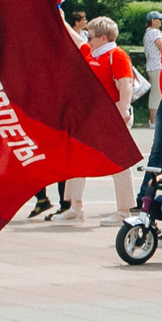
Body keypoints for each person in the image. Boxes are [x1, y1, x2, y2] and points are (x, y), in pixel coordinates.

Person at [62, 17, 142, 220]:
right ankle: (75, 206)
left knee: (118, 161)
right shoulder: (92, 52)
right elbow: (75, 39)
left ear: (104, 38)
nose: (87, 40)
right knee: (77, 157)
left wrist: (123, 111)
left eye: (91, 37)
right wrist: (60, 18)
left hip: (113, 113)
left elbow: (126, 84)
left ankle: (124, 210)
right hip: (92, 115)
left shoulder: (117, 55)